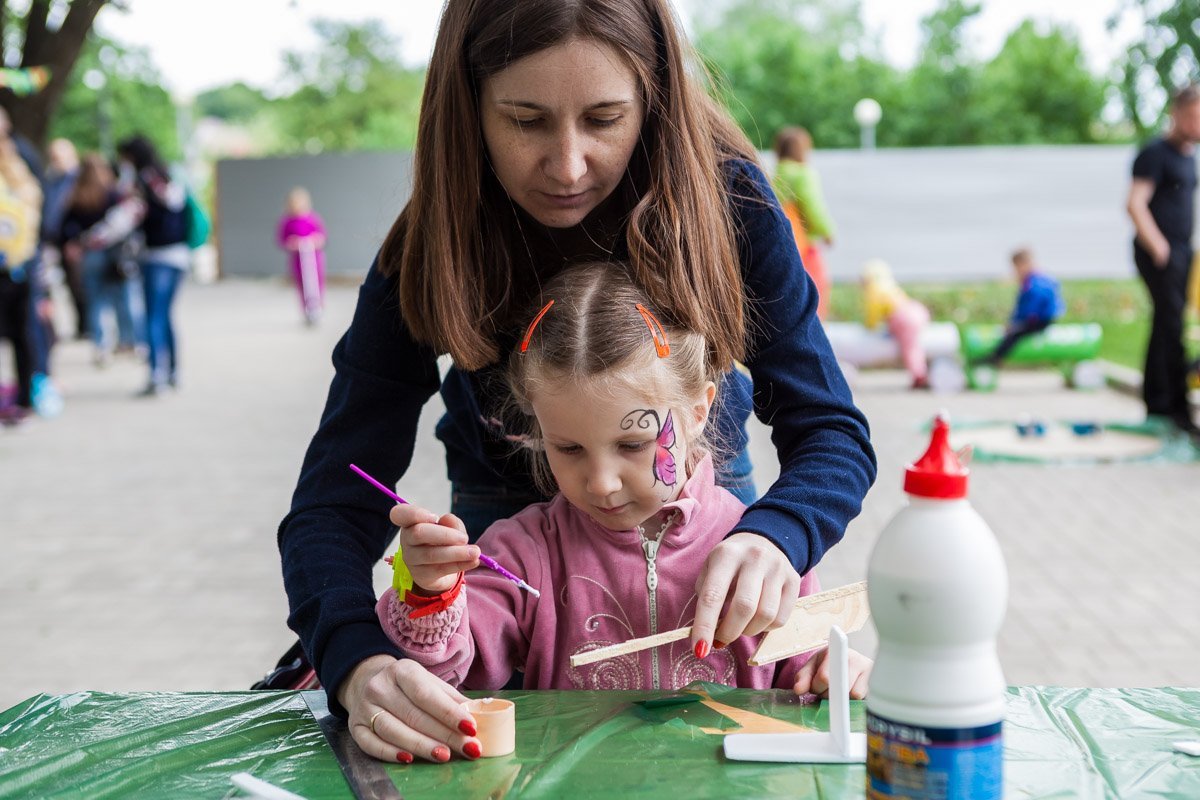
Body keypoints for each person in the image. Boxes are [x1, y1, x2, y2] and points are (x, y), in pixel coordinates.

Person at [278, 0, 876, 765]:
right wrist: (360, 663)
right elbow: (333, 501)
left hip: (699, 518)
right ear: (469, 108)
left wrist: (775, 537)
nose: (566, 165)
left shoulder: (729, 206)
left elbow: (832, 435)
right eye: (526, 120)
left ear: (654, 102)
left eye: (604, 119)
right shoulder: (435, 244)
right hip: (506, 551)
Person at [376, 264, 872, 718]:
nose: (601, 482)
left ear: (698, 411)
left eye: (633, 444)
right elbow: (449, 673)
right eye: (568, 448)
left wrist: (835, 671)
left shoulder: (762, 557)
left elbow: (806, 680)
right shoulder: (526, 553)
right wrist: (431, 592)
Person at [85, 135, 190, 396]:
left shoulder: (141, 182)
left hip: (156, 258)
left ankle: (157, 375)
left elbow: (123, 220)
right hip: (179, 256)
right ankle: (173, 371)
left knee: (153, 316)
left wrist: (90, 239)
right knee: (164, 315)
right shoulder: (168, 176)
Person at [1126, 84, 1200, 437]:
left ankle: (1157, 401)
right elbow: (1135, 203)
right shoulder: (1155, 153)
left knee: (1165, 324)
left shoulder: (1188, 157)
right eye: (1194, 118)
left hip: (1182, 250)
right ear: (1177, 114)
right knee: (1172, 328)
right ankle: (1178, 411)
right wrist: (1160, 248)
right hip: (1160, 252)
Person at [60, 153, 145, 365]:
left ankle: (101, 346)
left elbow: (66, 228)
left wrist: (77, 242)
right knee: (123, 298)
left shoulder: (76, 196)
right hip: (115, 254)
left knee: (95, 301)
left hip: (90, 254)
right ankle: (130, 341)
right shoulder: (113, 194)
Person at [0, 127, 42, 426]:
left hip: (15, 267)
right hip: (21, 266)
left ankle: (23, 400)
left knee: (22, 336)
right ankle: (24, 401)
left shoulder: (18, 173)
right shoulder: (23, 176)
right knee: (22, 336)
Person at [772, 127, 835, 320]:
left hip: (784, 245)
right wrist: (827, 231)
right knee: (816, 289)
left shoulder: (775, 174)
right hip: (805, 245)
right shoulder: (802, 174)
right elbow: (813, 206)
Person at [979, 247, 1064, 367]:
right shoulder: (1036, 279)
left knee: (1014, 334)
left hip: (1040, 320)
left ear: (1025, 264)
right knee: (1013, 331)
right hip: (1038, 317)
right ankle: (996, 356)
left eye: (1017, 268)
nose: (1016, 271)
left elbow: (1029, 308)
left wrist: (1016, 323)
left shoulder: (1034, 283)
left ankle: (996, 357)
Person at [41, 138, 85, 340]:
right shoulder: (51, 179)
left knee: (77, 284)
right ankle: (49, 329)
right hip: (51, 239)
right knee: (47, 284)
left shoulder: (78, 179)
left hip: (70, 239)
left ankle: (85, 325)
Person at [861, 259, 930, 389]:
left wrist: (869, 325)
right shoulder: (890, 285)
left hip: (903, 317)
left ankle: (919, 375)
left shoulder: (874, 290)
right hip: (915, 310)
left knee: (910, 347)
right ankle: (921, 372)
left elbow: (873, 313)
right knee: (913, 344)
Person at [276, 186, 327, 325]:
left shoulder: (313, 219)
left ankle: (317, 307)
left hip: (314, 259)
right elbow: (282, 240)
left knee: (317, 283)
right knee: (302, 284)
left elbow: (322, 237)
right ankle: (306, 310)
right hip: (298, 260)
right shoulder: (287, 221)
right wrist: (292, 243)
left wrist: (314, 241)